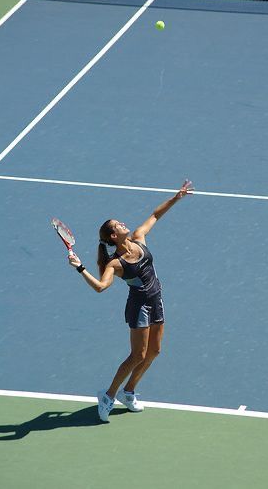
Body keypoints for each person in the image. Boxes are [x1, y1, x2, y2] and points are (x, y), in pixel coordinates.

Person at [68, 179, 194, 422]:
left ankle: (129, 391)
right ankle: (108, 395)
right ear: (114, 235)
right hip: (139, 307)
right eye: (119, 225)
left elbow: (155, 216)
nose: (124, 223)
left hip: (156, 299)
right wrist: (81, 268)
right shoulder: (116, 264)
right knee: (137, 355)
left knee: (155, 351)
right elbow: (101, 287)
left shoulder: (139, 237)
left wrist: (176, 198)